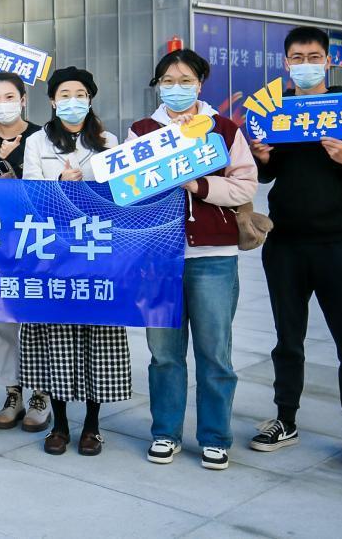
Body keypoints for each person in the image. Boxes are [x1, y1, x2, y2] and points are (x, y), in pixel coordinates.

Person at [248, 26, 342, 471]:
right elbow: (267, 175)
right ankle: (285, 420)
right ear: (286, 63)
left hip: (337, 245)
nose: (305, 64)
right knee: (287, 340)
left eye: (314, 57)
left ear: (328, 62)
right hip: (285, 245)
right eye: (297, 57)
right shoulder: (276, 112)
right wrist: (263, 158)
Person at [133, 50, 258, 472]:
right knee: (164, 354)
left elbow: (245, 186)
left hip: (213, 259)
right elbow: (127, 189)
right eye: (168, 81)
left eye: (185, 80)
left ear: (200, 83)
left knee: (214, 352)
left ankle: (215, 437)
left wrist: (198, 185)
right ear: (158, 86)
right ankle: (165, 433)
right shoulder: (143, 132)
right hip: (160, 260)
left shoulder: (224, 129)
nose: (176, 88)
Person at [19, 67, 130, 456]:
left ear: (90, 98)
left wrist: (90, 190)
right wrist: (60, 187)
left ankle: (93, 427)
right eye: (64, 94)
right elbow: (29, 194)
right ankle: (61, 426)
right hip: (53, 254)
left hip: (96, 252)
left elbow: (119, 195)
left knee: (97, 338)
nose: (72, 100)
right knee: (57, 341)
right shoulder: (37, 142)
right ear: (52, 101)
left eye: (80, 94)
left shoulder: (109, 142)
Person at [0, 72, 50, 432]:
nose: (2, 105)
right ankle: (12, 392)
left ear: (23, 99)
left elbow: (50, 191)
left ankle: (42, 394)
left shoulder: (42, 137)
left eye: (9, 97)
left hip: (37, 241)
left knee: (40, 320)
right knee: (3, 321)